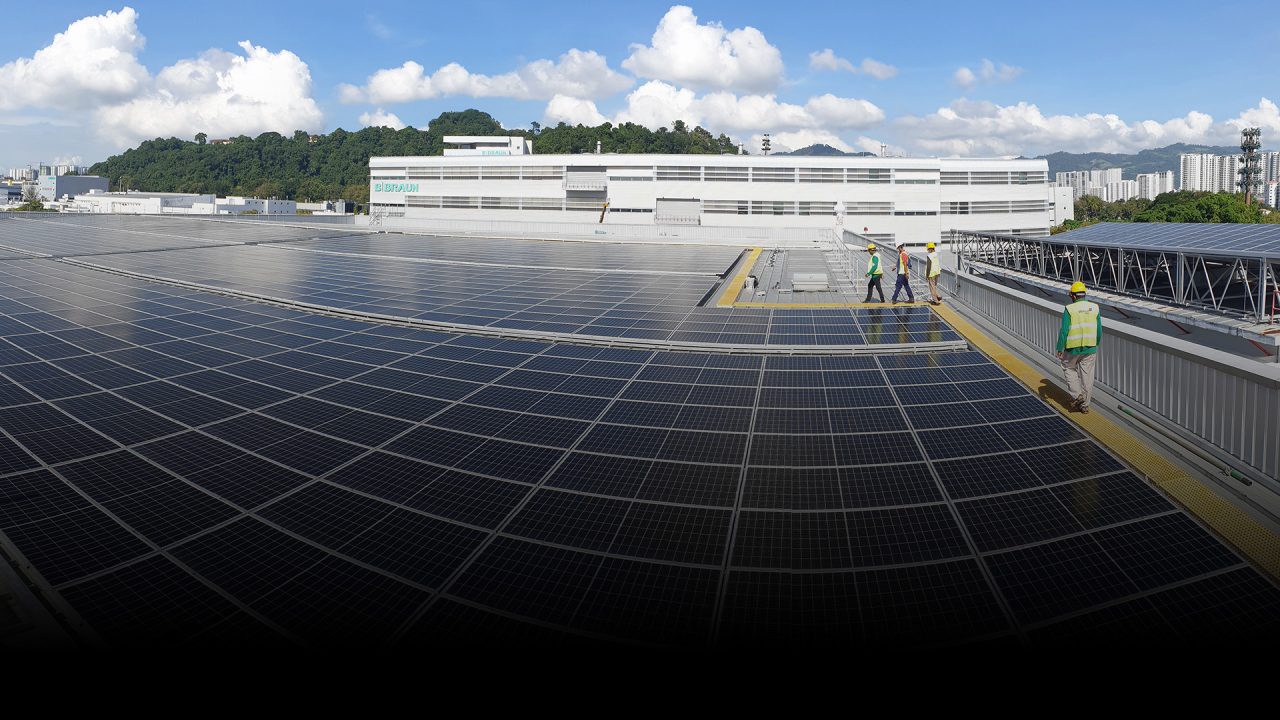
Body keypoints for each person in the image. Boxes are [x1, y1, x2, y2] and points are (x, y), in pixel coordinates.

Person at [1056, 281, 1102, 414]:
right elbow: (1099, 330)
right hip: (1090, 347)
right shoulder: (1095, 308)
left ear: (1074, 296)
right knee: (1087, 376)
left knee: (1068, 368)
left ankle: (1077, 396)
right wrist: (1096, 343)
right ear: (1084, 295)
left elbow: (1064, 330)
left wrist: (1060, 348)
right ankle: (1085, 406)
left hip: (1072, 348)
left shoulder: (1070, 309)